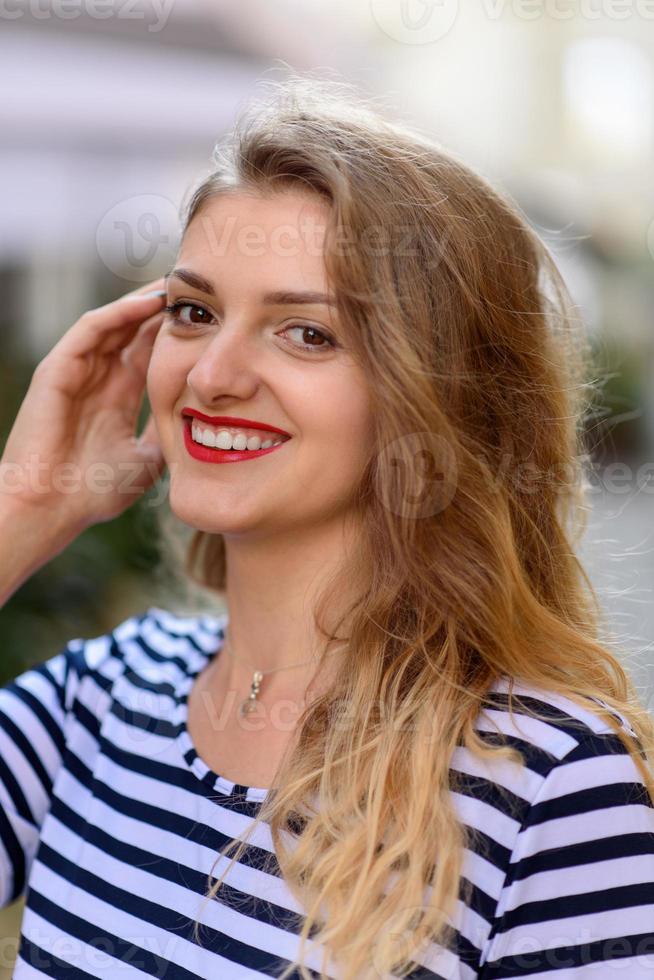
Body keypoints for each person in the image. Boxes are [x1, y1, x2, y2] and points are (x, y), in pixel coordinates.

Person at [0, 75, 653, 980]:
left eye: (306, 333)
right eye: (194, 312)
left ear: (439, 399)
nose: (212, 375)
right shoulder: (96, 700)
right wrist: (25, 507)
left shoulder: (556, 784)